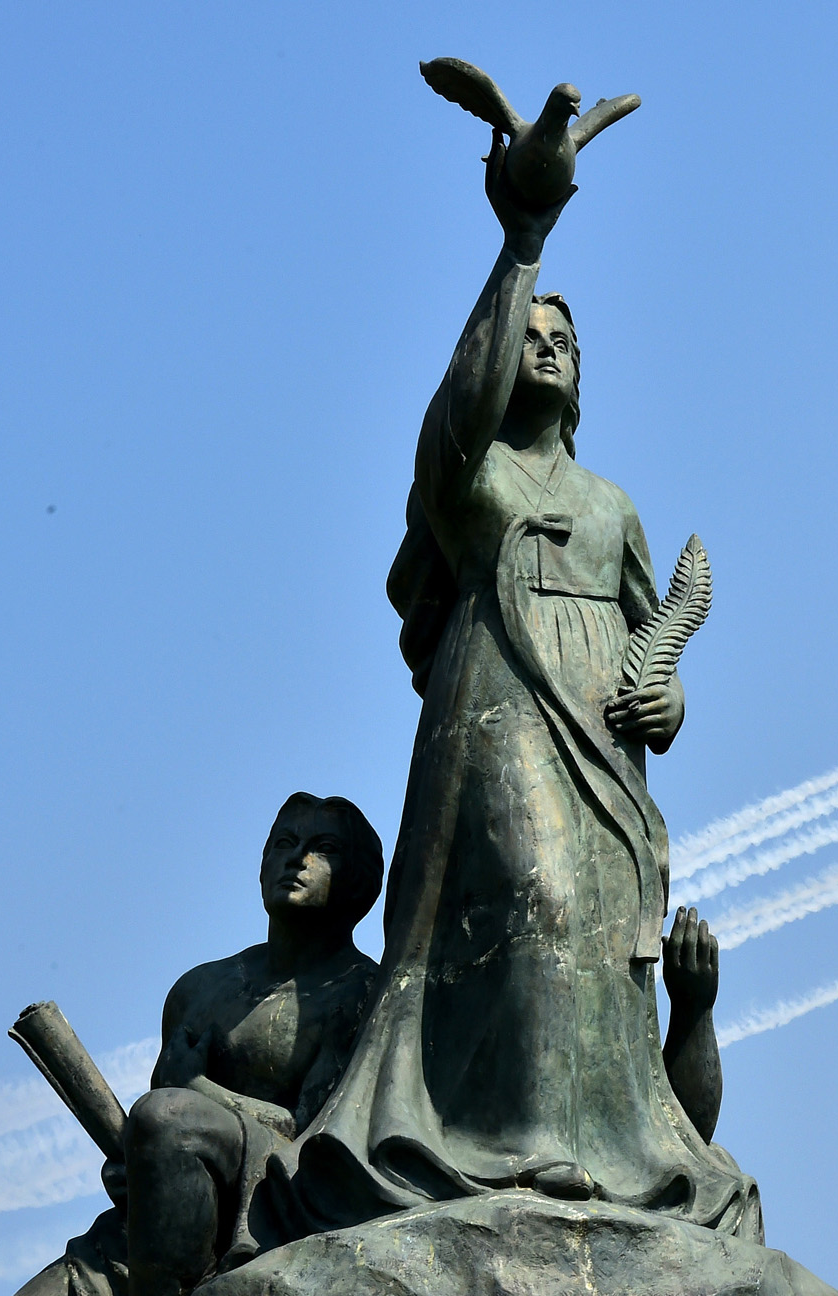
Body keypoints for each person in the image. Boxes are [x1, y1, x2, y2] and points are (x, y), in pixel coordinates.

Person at [266, 130, 760, 1240]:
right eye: (527, 335)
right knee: (525, 900)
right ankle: (508, 1145)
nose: (543, 345)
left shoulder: (612, 505)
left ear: (585, 370)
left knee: (589, 927)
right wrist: (523, 242)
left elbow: (661, 638)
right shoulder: (469, 477)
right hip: (496, 709)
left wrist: (667, 702)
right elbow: (451, 419)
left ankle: (597, 1142)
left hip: (605, 753)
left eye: (561, 337)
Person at [14, 793, 385, 1296]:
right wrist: (134, 1168)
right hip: (158, 1230)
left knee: (170, 1115)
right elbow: (151, 1135)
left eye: (323, 849)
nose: (297, 859)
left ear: (359, 879)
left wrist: (194, 1089)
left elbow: (313, 1135)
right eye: (284, 843)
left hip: (276, 1196)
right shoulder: (199, 989)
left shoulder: (362, 993)